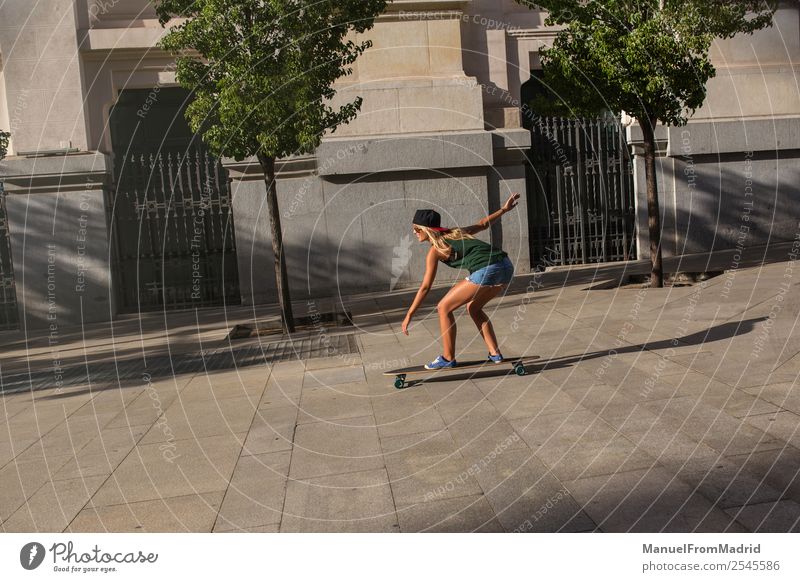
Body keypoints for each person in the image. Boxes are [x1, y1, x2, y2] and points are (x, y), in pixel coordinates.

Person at [402, 193, 520, 369]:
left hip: (487, 269)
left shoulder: (434, 251)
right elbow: (483, 224)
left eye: (417, 229)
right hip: (506, 266)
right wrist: (504, 209)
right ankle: (495, 353)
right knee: (473, 308)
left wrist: (410, 314)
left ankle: (447, 357)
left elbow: (426, 287)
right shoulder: (457, 233)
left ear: (426, 229)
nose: (414, 232)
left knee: (443, 308)